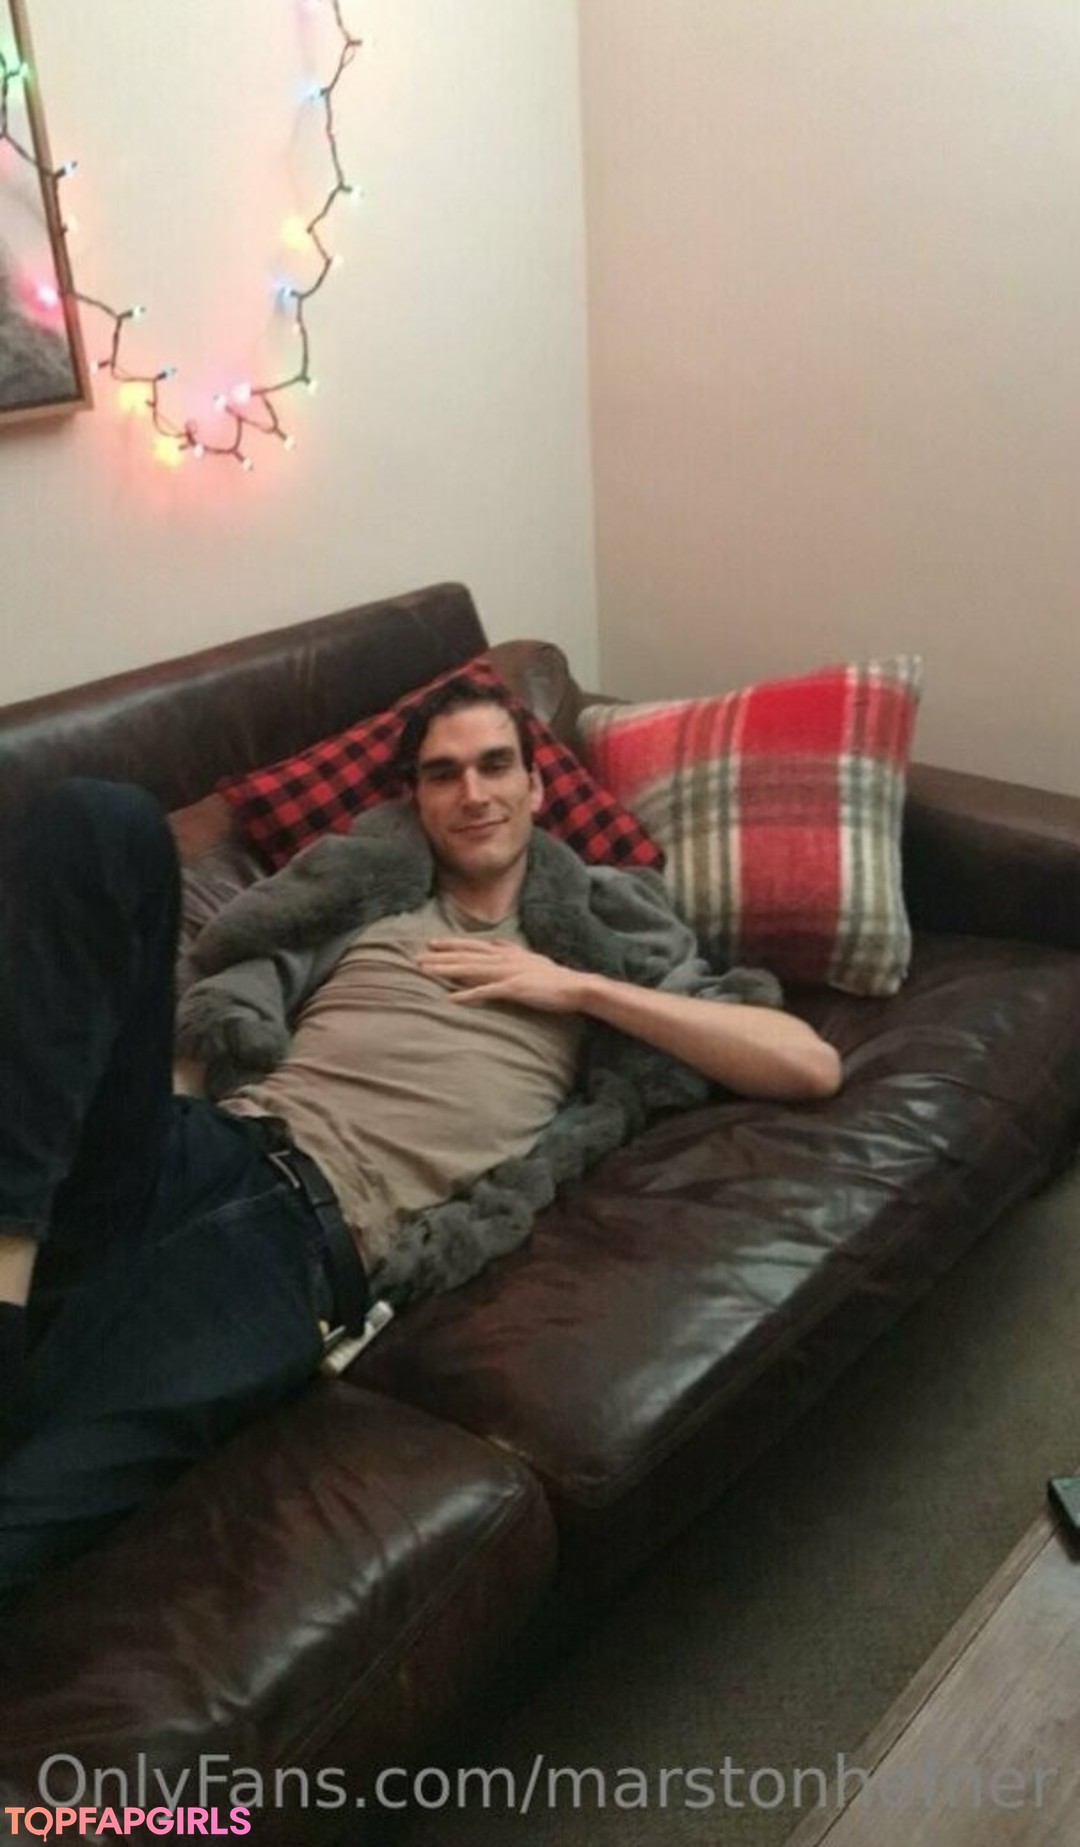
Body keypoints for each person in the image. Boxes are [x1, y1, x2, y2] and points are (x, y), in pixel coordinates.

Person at [0, 678, 841, 1594]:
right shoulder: (364, 905)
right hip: (200, 1148)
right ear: (417, 799)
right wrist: (139, 1123)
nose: (472, 792)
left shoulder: (602, 932)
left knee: (34, 1505)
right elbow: (217, 1014)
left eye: (494, 765)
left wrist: (579, 988)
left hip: (299, 1255)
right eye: (443, 774)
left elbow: (807, 1062)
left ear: (536, 785)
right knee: (102, 818)